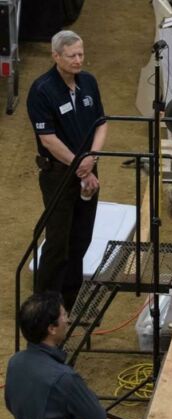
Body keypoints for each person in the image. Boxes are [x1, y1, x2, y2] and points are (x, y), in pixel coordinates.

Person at [27, 30, 108, 311]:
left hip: (89, 170)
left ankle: (69, 303)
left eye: (81, 54)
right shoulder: (42, 90)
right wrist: (80, 167)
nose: (78, 60)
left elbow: (101, 123)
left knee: (81, 239)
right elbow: (48, 140)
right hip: (59, 176)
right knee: (58, 242)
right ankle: (44, 304)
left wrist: (92, 159)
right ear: (56, 56)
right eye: (72, 55)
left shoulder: (88, 83)